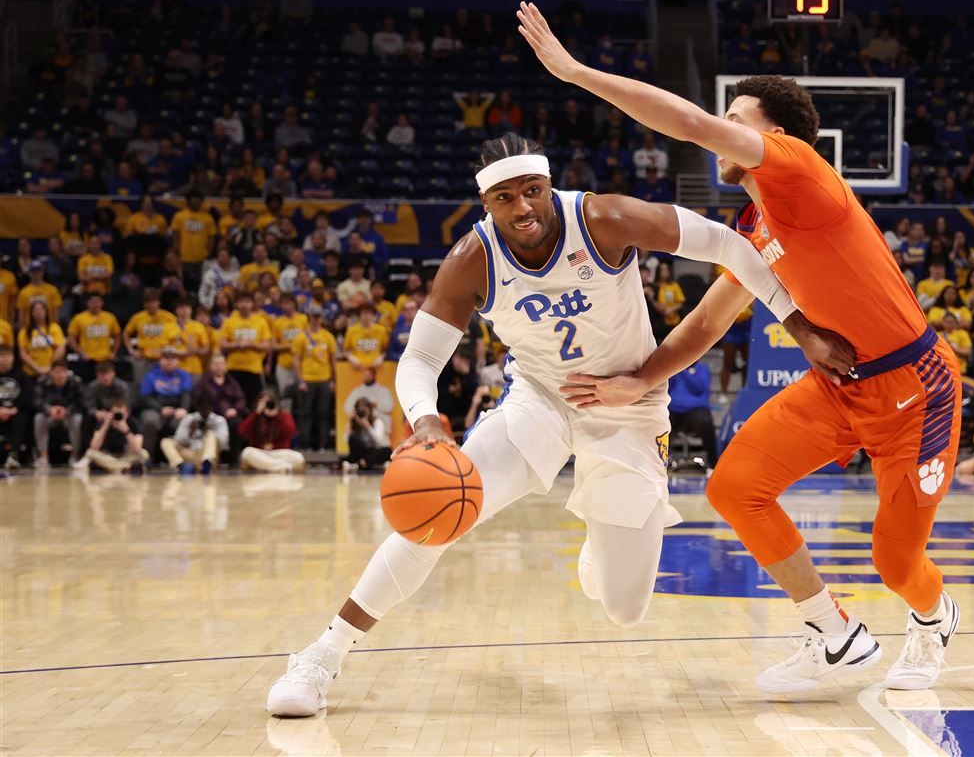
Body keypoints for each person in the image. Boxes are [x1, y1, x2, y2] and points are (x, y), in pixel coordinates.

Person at [265, 132, 849, 716]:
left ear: (549, 186)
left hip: (629, 404)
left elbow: (729, 243)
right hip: (538, 399)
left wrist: (798, 326)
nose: (522, 208)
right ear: (486, 204)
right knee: (434, 515)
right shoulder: (472, 259)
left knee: (625, 607)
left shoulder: (603, 217)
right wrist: (425, 421)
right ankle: (322, 655)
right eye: (504, 198)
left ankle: (601, 536)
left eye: (532, 192)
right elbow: (420, 359)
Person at [517, 3, 965, 693]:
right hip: (838, 386)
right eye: (725, 117)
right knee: (734, 487)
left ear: (774, 137)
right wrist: (639, 379)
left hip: (913, 390)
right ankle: (832, 632)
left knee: (896, 562)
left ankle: (933, 617)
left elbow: (692, 126)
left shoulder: (805, 171)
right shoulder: (755, 228)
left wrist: (575, 72)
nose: (721, 129)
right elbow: (705, 323)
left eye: (736, 119)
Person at [291, 308, 336, 451]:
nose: (316, 320)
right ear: (309, 318)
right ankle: (305, 444)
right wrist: (300, 380)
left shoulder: (328, 337)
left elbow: (333, 360)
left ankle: (323, 444)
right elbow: (296, 360)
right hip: (308, 379)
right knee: (305, 413)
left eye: (318, 317)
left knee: (324, 413)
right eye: (313, 317)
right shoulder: (301, 337)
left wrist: (333, 380)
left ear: (321, 318)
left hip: (324, 379)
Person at [218, 290, 273, 407]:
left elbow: (266, 345)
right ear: (237, 304)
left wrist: (251, 345)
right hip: (234, 368)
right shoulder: (229, 321)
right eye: (241, 302)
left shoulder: (261, 321)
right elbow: (222, 344)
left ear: (252, 304)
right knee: (232, 401)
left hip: (254, 368)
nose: (244, 305)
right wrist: (237, 344)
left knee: (255, 402)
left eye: (247, 302)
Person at [136, 348, 193, 458]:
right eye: (166, 358)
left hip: (177, 408)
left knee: (187, 420)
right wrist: (161, 409)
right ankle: (146, 458)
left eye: (172, 358)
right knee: (150, 420)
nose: (169, 361)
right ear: (160, 360)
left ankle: (181, 460)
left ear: (177, 361)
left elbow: (187, 394)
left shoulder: (184, 375)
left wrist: (183, 409)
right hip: (156, 408)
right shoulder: (150, 375)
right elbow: (145, 397)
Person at [191, 353, 246, 465]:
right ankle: (207, 458)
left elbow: (241, 400)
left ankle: (233, 460)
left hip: (227, 415)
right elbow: (196, 399)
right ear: (211, 366)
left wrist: (235, 409)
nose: (218, 367)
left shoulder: (232, 382)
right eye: (216, 364)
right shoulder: (203, 382)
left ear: (225, 366)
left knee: (236, 423)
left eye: (221, 364)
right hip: (209, 415)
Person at [32, 360, 84, 469]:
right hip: (50, 415)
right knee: (39, 418)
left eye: (63, 372)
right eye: (57, 372)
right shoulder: (42, 382)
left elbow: (80, 403)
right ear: (51, 372)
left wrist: (67, 411)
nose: (60, 375)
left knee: (78, 420)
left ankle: (75, 455)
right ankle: (43, 457)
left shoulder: (76, 382)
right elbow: (37, 401)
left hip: (69, 415)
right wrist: (50, 410)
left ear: (67, 372)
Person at [668, 362, 718, 470]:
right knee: (660, 423)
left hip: (695, 410)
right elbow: (667, 386)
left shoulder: (702, 369)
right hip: (673, 409)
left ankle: (713, 463)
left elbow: (699, 388)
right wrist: (673, 370)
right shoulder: (673, 367)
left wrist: (683, 370)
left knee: (706, 423)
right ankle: (663, 461)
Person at [238, 389, 303, 473]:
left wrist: (277, 415)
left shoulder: (283, 415)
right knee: (246, 453)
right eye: (265, 403)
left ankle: (272, 467)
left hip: (279, 453)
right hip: (260, 453)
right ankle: (281, 467)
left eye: (270, 403)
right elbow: (242, 431)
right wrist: (256, 414)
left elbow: (291, 431)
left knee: (298, 457)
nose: (268, 406)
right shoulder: (255, 416)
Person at [124, 288, 177, 389]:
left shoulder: (169, 317)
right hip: (143, 357)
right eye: (148, 302)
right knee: (141, 384)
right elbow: (126, 333)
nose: (151, 305)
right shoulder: (138, 317)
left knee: (163, 385)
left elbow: (177, 336)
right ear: (144, 304)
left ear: (159, 302)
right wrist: (131, 350)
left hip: (162, 358)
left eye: (154, 302)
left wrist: (170, 353)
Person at [161, 400, 228, 475]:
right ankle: (181, 466)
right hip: (190, 453)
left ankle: (206, 463)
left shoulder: (219, 420)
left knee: (210, 434)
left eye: (207, 406)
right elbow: (178, 440)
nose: (204, 408)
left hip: (209, 455)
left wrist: (208, 430)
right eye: (202, 406)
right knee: (166, 441)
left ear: (211, 407)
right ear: (197, 407)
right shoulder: (189, 418)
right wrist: (190, 432)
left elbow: (223, 444)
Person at [82, 396, 147, 473]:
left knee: (144, 454)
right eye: (115, 414)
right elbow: (94, 447)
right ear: (110, 413)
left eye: (121, 414)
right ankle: (124, 467)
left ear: (127, 413)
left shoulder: (133, 423)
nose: (118, 417)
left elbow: (137, 449)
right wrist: (105, 426)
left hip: (125, 455)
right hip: (107, 455)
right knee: (90, 453)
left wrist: (126, 431)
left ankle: (113, 467)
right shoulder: (104, 422)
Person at [67, 292, 122, 382]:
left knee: (107, 384)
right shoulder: (79, 318)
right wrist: (80, 352)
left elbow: (117, 336)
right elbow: (71, 338)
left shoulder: (110, 317)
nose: (95, 304)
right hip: (88, 359)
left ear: (102, 303)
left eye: (97, 301)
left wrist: (114, 352)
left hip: (105, 359)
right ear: (87, 303)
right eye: (92, 301)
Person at [0, 345, 32, 469]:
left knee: (22, 418)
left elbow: (28, 398)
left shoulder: (22, 376)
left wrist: (14, 410)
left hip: (16, 412)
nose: (4, 359)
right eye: (1, 356)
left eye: (7, 356)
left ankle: (14, 455)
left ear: (13, 358)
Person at [18, 300, 65, 378]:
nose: (39, 312)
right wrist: (37, 368)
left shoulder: (54, 327)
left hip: (50, 371)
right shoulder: (24, 331)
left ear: (46, 312)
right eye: (36, 310)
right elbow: (22, 353)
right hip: (30, 372)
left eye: (41, 309)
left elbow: (61, 348)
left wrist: (50, 366)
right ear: (31, 313)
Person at [344, 398, 390, 472]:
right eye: (360, 411)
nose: (362, 414)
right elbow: (346, 440)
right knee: (353, 438)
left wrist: (367, 426)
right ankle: (366, 464)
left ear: (370, 410)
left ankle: (358, 465)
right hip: (362, 453)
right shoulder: (354, 423)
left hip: (374, 450)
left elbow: (379, 442)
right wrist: (350, 422)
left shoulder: (377, 421)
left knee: (387, 450)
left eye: (364, 411)